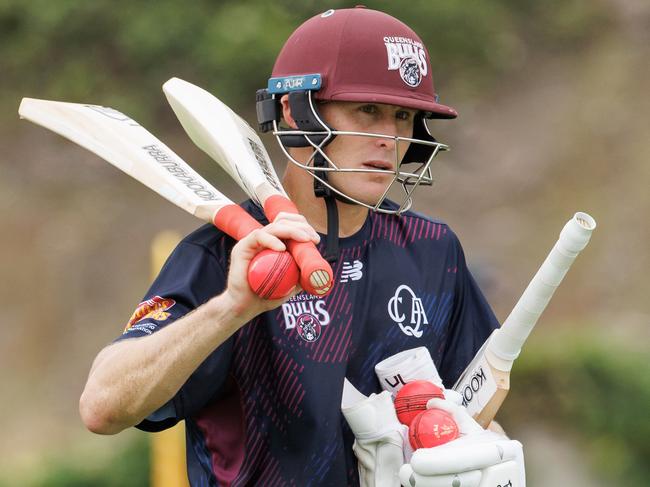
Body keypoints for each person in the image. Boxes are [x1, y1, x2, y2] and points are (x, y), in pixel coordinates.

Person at [80, 7, 525, 486]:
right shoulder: (226, 255)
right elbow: (102, 406)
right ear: (295, 111)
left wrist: (486, 454)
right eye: (368, 111)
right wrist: (232, 307)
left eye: (403, 115)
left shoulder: (435, 250)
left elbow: (473, 410)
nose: (390, 138)